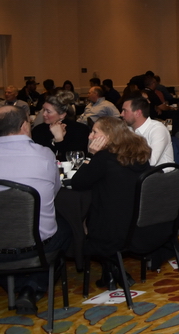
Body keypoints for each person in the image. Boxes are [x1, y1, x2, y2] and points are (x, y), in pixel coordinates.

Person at [66, 117, 159, 290]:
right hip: (139, 224)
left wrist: (90, 156)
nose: (89, 136)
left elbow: (78, 183)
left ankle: (111, 269)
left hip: (110, 230)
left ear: (108, 136)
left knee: (76, 218)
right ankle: (112, 271)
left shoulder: (104, 158)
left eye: (95, 132)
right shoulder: (139, 154)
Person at [0, 106, 71, 315]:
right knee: (66, 227)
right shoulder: (44, 154)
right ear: (24, 126)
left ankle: (15, 285)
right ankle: (32, 285)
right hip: (36, 248)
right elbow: (55, 190)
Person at [31, 92, 89, 160]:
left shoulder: (79, 130)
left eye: (48, 111)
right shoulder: (38, 130)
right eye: (44, 110)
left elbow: (75, 158)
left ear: (62, 115)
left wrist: (59, 140)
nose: (44, 114)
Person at [120, 94, 174, 167]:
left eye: (125, 111)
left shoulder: (157, 129)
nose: (121, 114)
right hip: (140, 171)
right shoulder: (128, 129)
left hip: (162, 174)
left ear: (138, 113)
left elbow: (151, 162)